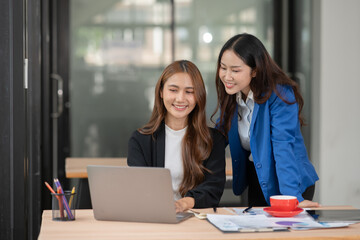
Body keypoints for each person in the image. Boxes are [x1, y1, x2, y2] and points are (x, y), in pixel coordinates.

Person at [212, 33, 320, 208]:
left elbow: (283, 147)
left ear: (255, 70)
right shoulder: (234, 94)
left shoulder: (280, 95)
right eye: (223, 68)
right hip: (259, 180)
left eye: (235, 70)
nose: (227, 76)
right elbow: (219, 135)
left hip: (289, 182)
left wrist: (293, 198)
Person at [128, 60, 226, 213]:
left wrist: (184, 204)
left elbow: (213, 189)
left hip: (197, 219)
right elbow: (139, 188)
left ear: (199, 96)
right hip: (154, 217)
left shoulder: (214, 140)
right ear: (161, 92)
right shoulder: (140, 140)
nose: (180, 98)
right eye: (173, 90)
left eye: (189, 91)